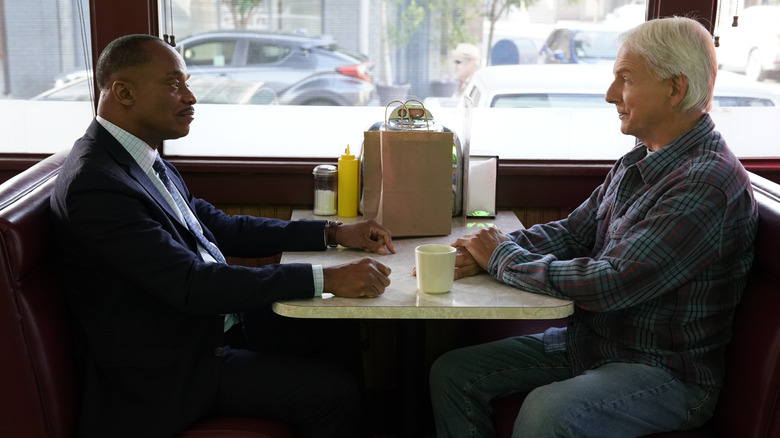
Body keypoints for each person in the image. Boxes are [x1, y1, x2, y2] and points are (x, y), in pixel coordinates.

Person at [50, 34, 395, 438]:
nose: (191, 97)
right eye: (175, 84)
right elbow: (192, 284)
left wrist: (334, 233)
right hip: (173, 367)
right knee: (333, 393)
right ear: (124, 91)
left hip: (210, 328)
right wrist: (327, 278)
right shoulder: (96, 186)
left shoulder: (140, 157)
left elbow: (222, 228)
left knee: (337, 329)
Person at [429, 16, 758, 437]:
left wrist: (501, 258)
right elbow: (573, 232)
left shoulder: (706, 183)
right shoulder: (640, 158)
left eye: (625, 79)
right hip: (595, 346)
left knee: (548, 411)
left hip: (666, 373)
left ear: (675, 89)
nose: (609, 95)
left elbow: (610, 284)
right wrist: (483, 250)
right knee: (454, 373)